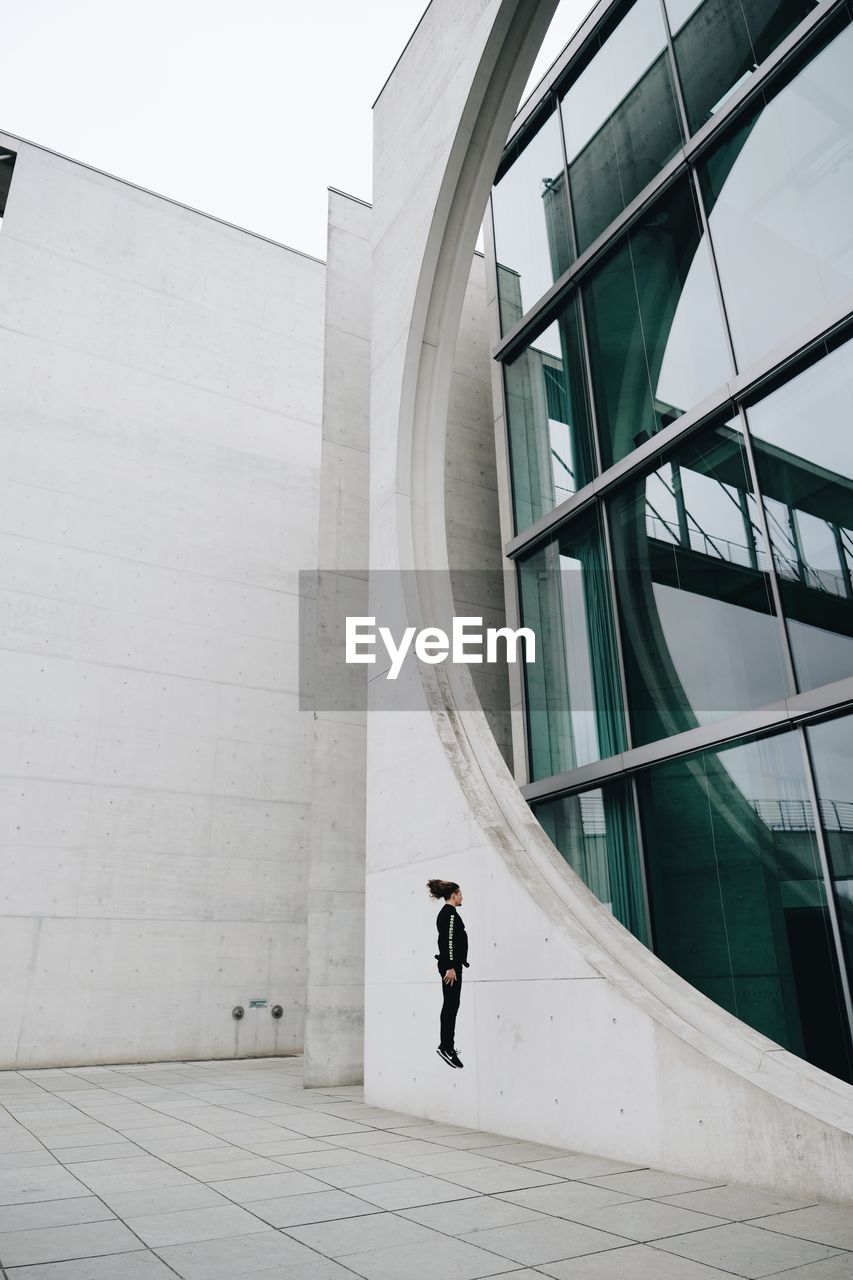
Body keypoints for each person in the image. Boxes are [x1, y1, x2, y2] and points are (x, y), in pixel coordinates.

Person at [427, 878, 468, 1068]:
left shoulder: (446, 913)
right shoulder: (450, 914)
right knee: (451, 1005)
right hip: (450, 968)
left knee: (451, 1005)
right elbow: (449, 941)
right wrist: (451, 967)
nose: (462, 898)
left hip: (450, 965)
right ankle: (446, 1047)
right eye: (460, 894)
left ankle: (447, 1046)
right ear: (453, 895)